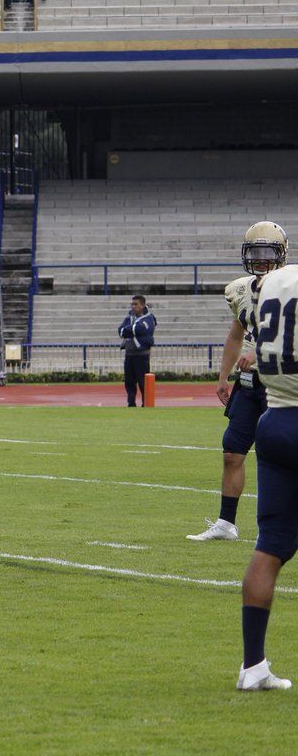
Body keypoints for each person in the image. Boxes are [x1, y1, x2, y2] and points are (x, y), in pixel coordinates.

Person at [189, 223, 287, 543]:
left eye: (267, 252)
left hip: (282, 383)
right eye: (255, 252)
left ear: (281, 254)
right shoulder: (240, 289)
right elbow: (235, 334)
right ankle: (226, 524)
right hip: (248, 384)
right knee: (232, 451)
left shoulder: (291, 287)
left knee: (284, 454)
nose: (260, 260)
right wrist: (223, 376)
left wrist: (259, 354)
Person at [236, 252, 298, 691]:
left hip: (273, 421)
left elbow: (260, 348)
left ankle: (252, 666)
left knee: (269, 546)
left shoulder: (269, 284)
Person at [118, 295, 155, 407]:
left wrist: (130, 329)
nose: (133, 307)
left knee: (143, 382)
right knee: (129, 382)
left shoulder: (149, 318)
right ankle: (131, 403)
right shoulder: (129, 317)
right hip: (129, 354)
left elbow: (141, 329)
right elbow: (121, 331)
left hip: (141, 355)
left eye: (136, 304)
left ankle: (146, 403)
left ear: (142, 305)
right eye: (132, 304)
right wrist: (132, 329)